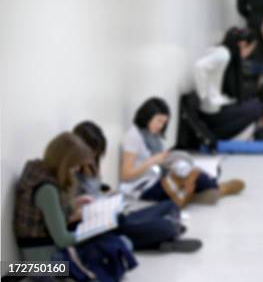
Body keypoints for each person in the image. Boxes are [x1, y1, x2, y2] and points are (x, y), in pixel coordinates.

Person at [74, 121, 202, 253]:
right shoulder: (71, 175)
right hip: (100, 224)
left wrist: (109, 197)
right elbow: (69, 228)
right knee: (165, 227)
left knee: (169, 205)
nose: (92, 158)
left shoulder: (90, 166)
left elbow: (96, 191)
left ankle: (163, 235)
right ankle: (163, 238)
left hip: (111, 215)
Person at [120, 97, 245, 204]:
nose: (160, 126)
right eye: (158, 121)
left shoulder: (153, 136)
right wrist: (152, 161)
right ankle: (217, 189)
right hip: (143, 188)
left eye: (164, 123)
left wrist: (169, 161)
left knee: (191, 172)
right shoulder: (134, 136)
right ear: (147, 116)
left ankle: (207, 190)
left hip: (156, 178)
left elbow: (158, 165)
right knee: (197, 179)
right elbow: (126, 175)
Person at [13, 132, 94, 261]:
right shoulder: (47, 189)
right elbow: (63, 239)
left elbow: (49, 216)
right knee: (108, 246)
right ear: (65, 163)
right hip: (43, 262)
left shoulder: (38, 172)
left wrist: (73, 204)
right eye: (75, 165)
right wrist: (94, 230)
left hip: (34, 255)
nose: (77, 169)